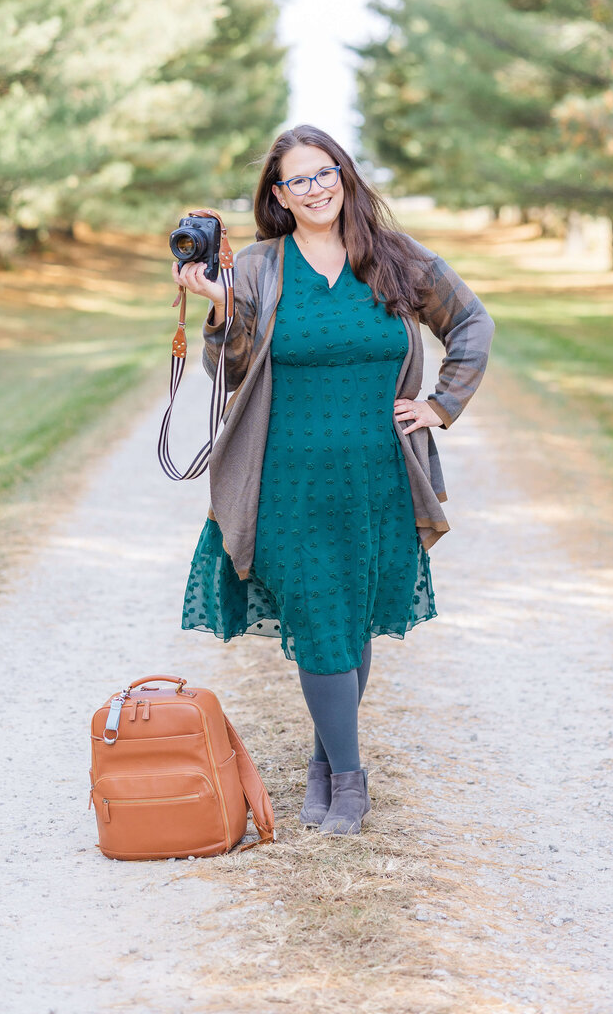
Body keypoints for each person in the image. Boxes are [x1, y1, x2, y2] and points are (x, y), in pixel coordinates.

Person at [171, 125, 495, 837]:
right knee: (320, 613)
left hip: (378, 474)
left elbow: (471, 322)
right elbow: (228, 373)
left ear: (343, 176)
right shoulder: (259, 268)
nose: (314, 189)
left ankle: (325, 763)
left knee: (350, 614)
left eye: (325, 174)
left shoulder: (396, 259)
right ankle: (350, 781)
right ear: (278, 196)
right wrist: (221, 310)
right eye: (297, 181)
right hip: (288, 475)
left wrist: (441, 405)